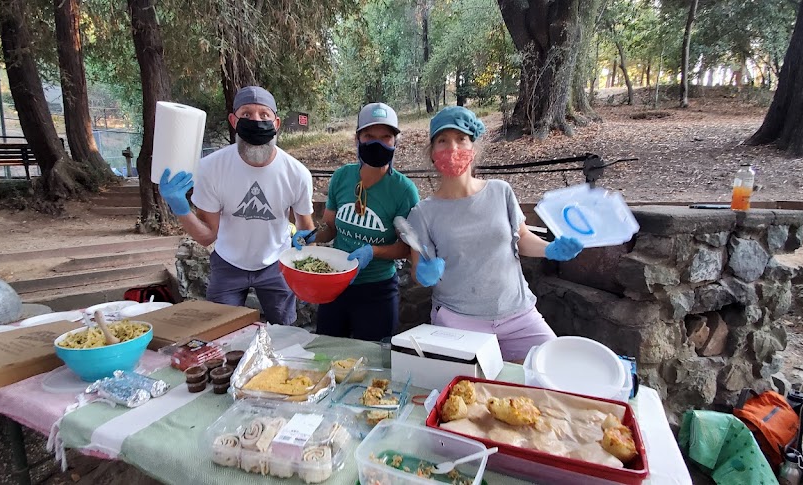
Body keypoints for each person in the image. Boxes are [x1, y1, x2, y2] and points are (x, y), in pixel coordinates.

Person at [406, 106, 584, 361]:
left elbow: (521, 238)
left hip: (519, 316)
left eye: (461, 139)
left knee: (552, 368)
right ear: (432, 153)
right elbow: (417, 270)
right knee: (465, 385)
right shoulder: (423, 212)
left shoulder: (501, 191)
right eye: (443, 140)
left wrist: (550, 249)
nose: (453, 148)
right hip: (458, 321)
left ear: (473, 148)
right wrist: (423, 274)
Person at [158, 86, 315, 326]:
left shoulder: (297, 174)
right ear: (233, 121)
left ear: (276, 123)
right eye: (247, 114)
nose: (256, 121)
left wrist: (304, 242)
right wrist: (180, 208)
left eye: (264, 115)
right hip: (228, 263)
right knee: (221, 330)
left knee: (285, 331)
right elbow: (206, 237)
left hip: (277, 263)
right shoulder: (211, 168)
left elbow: (306, 228)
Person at [309, 103, 420, 341]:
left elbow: (407, 248)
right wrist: (311, 235)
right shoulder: (341, 177)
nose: (377, 143)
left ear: (395, 142)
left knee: (374, 358)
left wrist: (374, 251)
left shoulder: (403, 191)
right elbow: (330, 228)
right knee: (325, 351)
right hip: (335, 283)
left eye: (386, 137)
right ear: (357, 139)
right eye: (369, 136)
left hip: (377, 290)